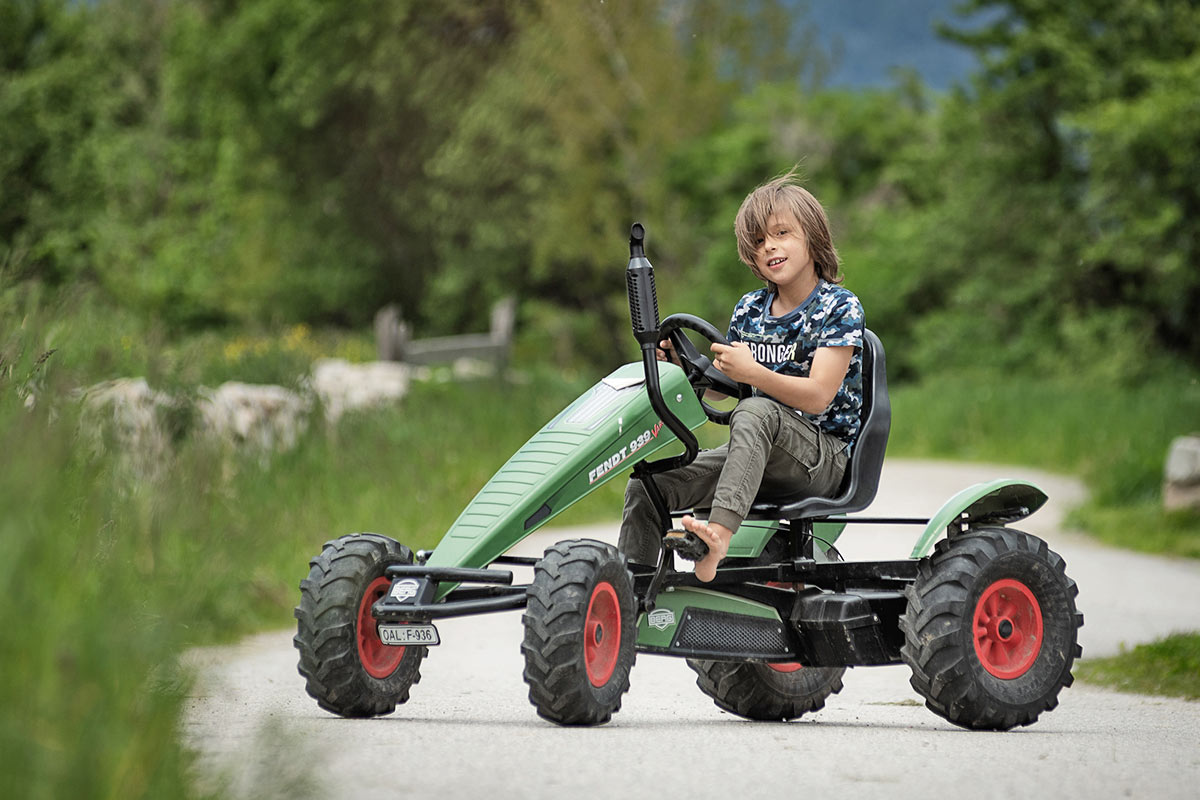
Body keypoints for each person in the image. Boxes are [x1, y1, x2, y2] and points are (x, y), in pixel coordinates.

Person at [617, 171, 864, 582]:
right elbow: (729, 387)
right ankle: (632, 595)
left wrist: (755, 373)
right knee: (648, 486)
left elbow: (819, 396)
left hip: (822, 458)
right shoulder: (750, 309)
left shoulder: (838, 307)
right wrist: (687, 366)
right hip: (757, 453)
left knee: (755, 411)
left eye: (782, 233)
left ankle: (717, 536)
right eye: (758, 242)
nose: (769, 246)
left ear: (813, 238)